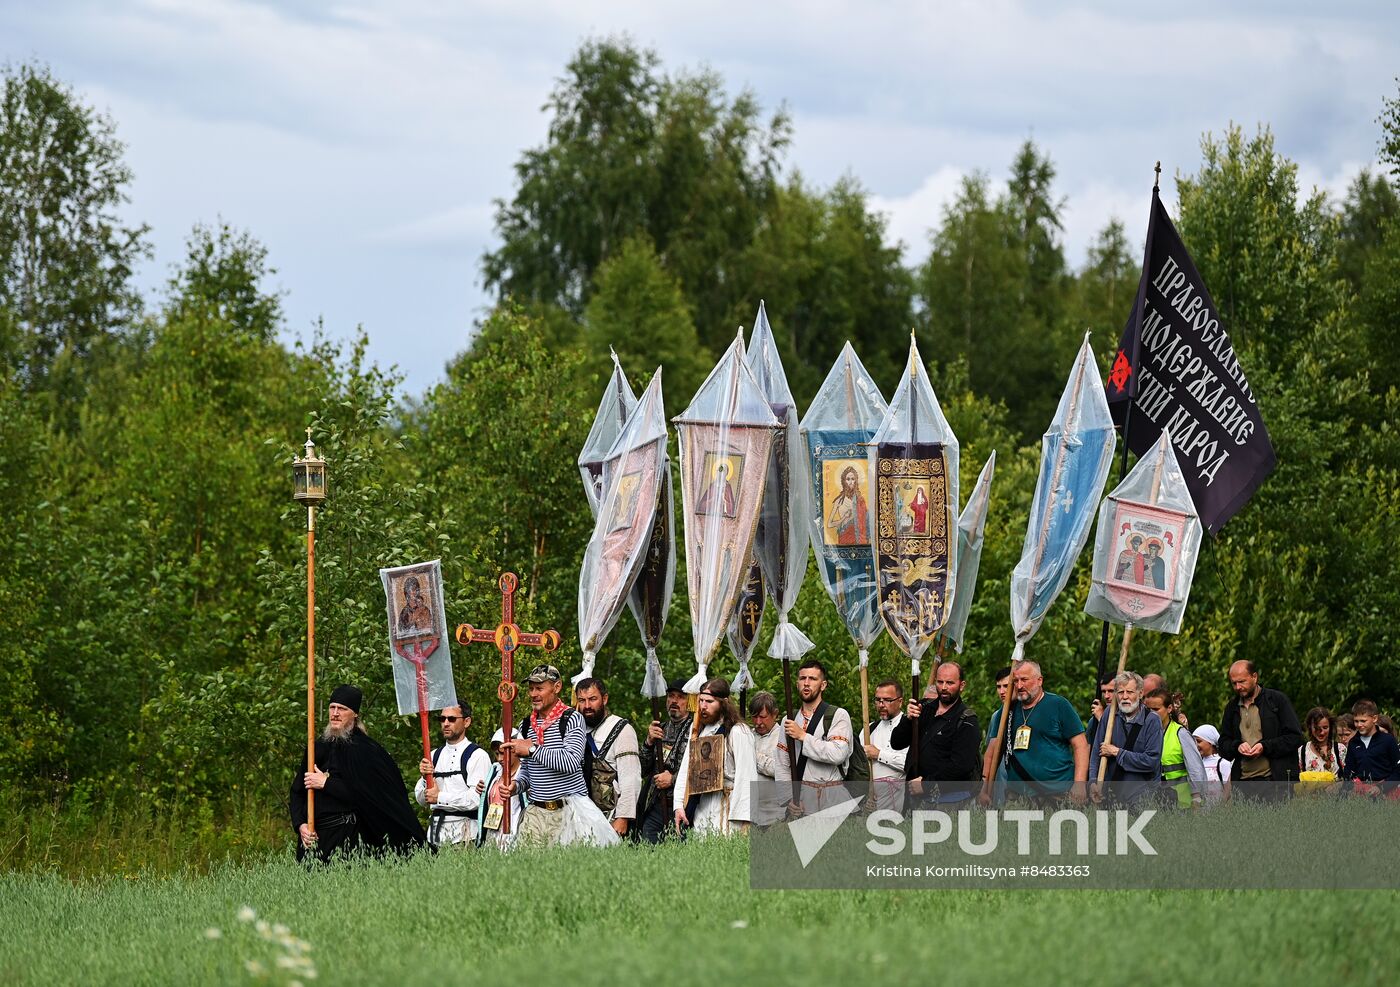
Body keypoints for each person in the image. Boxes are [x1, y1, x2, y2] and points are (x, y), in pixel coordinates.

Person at [290, 684, 425, 862]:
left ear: (355, 714)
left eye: (342, 709)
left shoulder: (366, 750)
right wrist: (301, 825)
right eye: (332, 707)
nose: (335, 713)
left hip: (348, 839)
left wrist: (326, 783)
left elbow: (371, 796)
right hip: (313, 839)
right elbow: (297, 792)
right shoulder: (317, 748)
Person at [500, 664, 619, 847]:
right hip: (536, 811)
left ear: (557, 687)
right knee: (527, 870)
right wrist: (515, 786)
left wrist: (533, 750)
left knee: (569, 871)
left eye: (539, 688)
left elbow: (571, 761)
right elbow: (528, 769)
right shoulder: (526, 724)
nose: (533, 694)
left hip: (570, 810)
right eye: (531, 688)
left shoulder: (572, 719)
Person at [979, 661, 1087, 807]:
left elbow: (1080, 745)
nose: (1019, 686)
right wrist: (984, 789)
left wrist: (1079, 784)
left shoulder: (1058, 705)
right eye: (1015, 681)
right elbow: (992, 753)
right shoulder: (1006, 712)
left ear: (1039, 680)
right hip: (1018, 796)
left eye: (1024, 680)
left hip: (1058, 794)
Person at [674, 678, 757, 835]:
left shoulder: (739, 732)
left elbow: (747, 778)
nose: (703, 706)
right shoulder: (699, 731)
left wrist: (746, 820)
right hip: (701, 808)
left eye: (709, 702)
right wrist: (678, 805)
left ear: (723, 702)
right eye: (701, 701)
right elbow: (686, 769)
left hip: (727, 807)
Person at [892, 662, 981, 808]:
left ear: (962, 685)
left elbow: (961, 766)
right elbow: (897, 743)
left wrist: (926, 784)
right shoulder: (924, 708)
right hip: (915, 798)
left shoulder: (967, 721)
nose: (944, 687)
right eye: (940, 682)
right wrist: (907, 719)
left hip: (949, 800)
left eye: (950, 683)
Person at [775, 659, 853, 815]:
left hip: (833, 797)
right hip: (802, 799)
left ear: (823, 685)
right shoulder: (788, 720)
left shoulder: (838, 715)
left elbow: (838, 754)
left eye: (813, 679)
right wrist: (789, 799)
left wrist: (803, 736)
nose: (806, 683)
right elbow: (782, 763)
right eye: (802, 678)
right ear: (797, 683)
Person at [1217, 660, 1304, 795]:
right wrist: (1237, 746)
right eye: (1234, 683)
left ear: (1254, 677)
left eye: (1242, 682)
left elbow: (1295, 737)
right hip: (1243, 783)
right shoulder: (1232, 707)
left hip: (1275, 782)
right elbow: (1223, 744)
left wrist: (1265, 746)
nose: (1238, 687)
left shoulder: (1277, 700)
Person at [414, 702, 491, 849]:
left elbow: (476, 800)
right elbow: (421, 800)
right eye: (442, 719)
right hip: (434, 837)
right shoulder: (433, 755)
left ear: (466, 721)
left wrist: (440, 797)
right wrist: (425, 779)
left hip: (464, 836)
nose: (446, 723)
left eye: (451, 719)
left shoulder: (477, 756)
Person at [575, 677, 641, 838]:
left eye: (592, 699)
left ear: (604, 699)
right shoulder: (575, 730)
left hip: (610, 815)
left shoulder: (622, 730)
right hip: (580, 814)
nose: (587, 706)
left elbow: (631, 777)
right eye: (582, 701)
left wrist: (623, 817)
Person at [1088, 671, 1163, 806]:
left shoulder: (1152, 720)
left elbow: (1151, 762)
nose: (1125, 697)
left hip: (1143, 799)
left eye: (1130, 692)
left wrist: (1117, 752)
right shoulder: (1109, 715)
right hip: (1111, 797)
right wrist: (1093, 781)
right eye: (1121, 692)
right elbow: (1095, 754)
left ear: (1140, 694)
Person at [637, 678, 691, 843]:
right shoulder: (660, 728)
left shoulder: (697, 731)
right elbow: (643, 769)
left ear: (691, 701)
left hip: (684, 808)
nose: (674, 701)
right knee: (648, 854)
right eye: (671, 696)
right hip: (656, 806)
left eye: (681, 697)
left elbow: (702, 772)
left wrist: (673, 779)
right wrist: (648, 742)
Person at [1144, 688, 1205, 809]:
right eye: (1148, 710)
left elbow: (1195, 769)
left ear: (1169, 709)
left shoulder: (1180, 733)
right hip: (1154, 802)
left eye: (1156, 709)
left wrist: (1197, 798)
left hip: (1181, 802)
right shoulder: (1144, 733)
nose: (1152, 714)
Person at [863, 679, 908, 812]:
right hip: (871, 802)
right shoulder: (869, 729)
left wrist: (879, 754)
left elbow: (911, 764)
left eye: (887, 700)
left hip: (899, 803)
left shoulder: (910, 727)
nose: (881, 705)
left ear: (900, 702)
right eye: (878, 700)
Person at [477, 728, 525, 849]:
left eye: (504, 753)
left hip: (516, 833)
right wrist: (482, 791)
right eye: (497, 754)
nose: (499, 758)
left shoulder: (525, 773)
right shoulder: (494, 771)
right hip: (493, 832)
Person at [1341, 700, 1400, 793]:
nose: (1359, 725)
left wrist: (1382, 788)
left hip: (1387, 793)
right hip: (1361, 793)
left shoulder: (1388, 740)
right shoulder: (1353, 743)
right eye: (1356, 721)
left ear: (1375, 718)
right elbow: (1349, 771)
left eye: (1363, 721)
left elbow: (1398, 770)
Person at [748, 691, 786, 826]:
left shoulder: (784, 737)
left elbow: (781, 770)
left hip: (775, 815)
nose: (758, 722)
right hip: (750, 814)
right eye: (754, 717)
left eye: (763, 717)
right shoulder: (747, 736)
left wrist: (752, 756)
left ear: (775, 714)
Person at [980, 667, 1013, 806]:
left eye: (1006, 686)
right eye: (998, 687)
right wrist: (984, 790)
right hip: (1001, 785)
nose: (1002, 691)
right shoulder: (997, 716)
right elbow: (990, 755)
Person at [1298, 706, 1346, 778]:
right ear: (1310, 727)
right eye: (1317, 728)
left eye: (1325, 727)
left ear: (1330, 727)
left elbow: (1348, 778)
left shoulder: (1340, 749)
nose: (1322, 732)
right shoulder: (1302, 751)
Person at [826, 465, 869, 545]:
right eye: (848, 479)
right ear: (844, 481)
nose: (850, 482)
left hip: (860, 539)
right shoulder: (839, 501)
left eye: (853, 479)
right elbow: (829, 524)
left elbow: (866, 523)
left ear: (856, 481)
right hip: (845, 536)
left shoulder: (860, 500)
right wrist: (844, 518)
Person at [1192, 724, 1231, 805]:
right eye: (1194, 741)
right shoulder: (1196, 764)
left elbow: (1227, 791)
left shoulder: (1223, 763)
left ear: (1211, 743)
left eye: (1199, 741)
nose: (1196, 745)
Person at [1086, 675, 1115, 744]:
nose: (1106, 696)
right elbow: (1088, 749)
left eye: (1111, 691)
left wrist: (1101, 719)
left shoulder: (1130, 717)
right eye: (1104, 691)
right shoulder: (1094, 721)